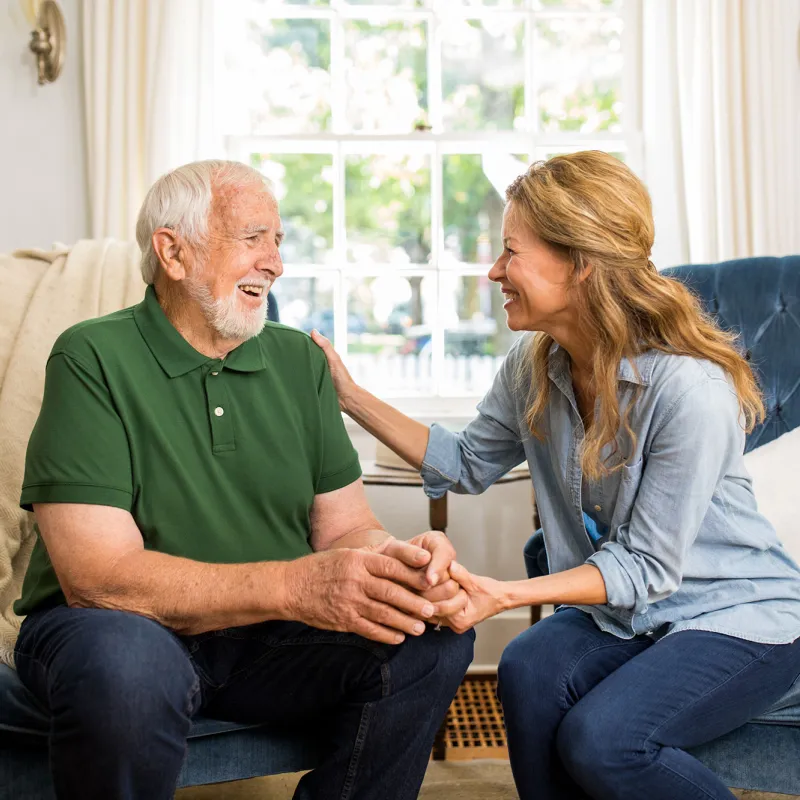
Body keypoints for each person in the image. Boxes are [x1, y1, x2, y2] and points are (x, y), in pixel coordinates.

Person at [312, 151, 800, 800]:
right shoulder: (534, 365)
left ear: (579, 263)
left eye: (510, 252)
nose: (493, 272)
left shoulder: (688, 388)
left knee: (604, 741)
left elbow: (649, 567)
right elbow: (465, 462)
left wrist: (500, 594)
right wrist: (348, 394)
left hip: (737, 615)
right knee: (529, 666)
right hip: (632, 614)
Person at [13, 160, 473, 800]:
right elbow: (96, 577)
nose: (276, 263)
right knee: (128, 666)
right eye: (253, 238)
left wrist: (397, 564)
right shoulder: (91, 355)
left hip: (264, 637)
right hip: (121, 626)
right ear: (172, 252)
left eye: (278, 242)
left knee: (428, 633)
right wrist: (292, 585)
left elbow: (345, 528)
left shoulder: (298, 361)